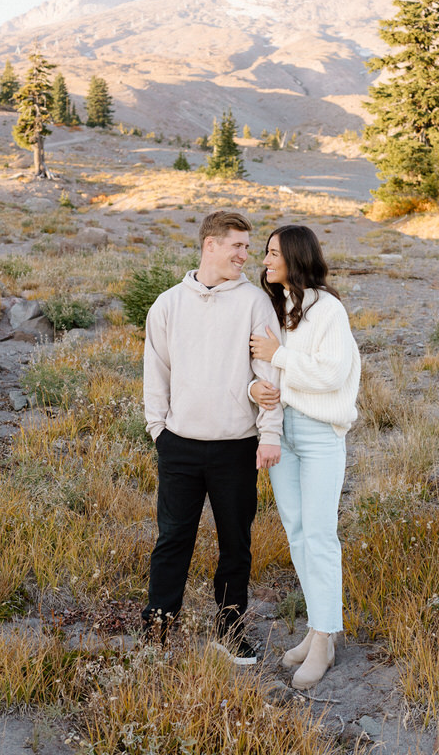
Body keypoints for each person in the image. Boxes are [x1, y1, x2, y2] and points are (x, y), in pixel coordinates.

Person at [141, 209, 283, 665]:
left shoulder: (254, 303)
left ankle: (231, 632)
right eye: (238, 246)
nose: (247, 255)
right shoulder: (168, 304)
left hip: (236, 446)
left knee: (235, 544)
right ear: (210, 246)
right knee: (172, 541)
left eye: (249, 246)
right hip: (179, 444)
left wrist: (268, 434)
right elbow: (155, 372)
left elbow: (269, 375)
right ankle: (159, 629)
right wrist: (158, 430)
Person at [248, 224, 360, 691]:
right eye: (265, 252)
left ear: (295, 258)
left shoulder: (327, 310)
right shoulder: (278, 308)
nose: (265, 260)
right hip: (283, 432)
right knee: (297, 533)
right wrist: (257, 386)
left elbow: (332, 375)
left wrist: (282, 358)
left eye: (273, 252)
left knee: (319, 536)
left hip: (317, 435)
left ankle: (323, 642)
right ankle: (319, 631)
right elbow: (262, 369)